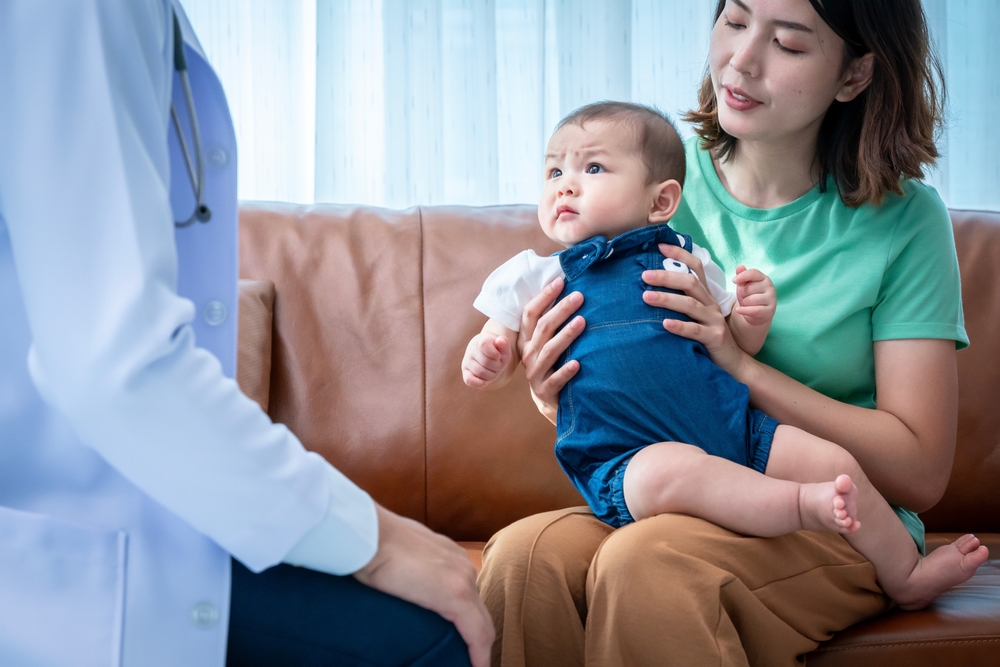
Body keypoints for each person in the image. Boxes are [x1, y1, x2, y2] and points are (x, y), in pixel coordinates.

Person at [477, 0, 978, 665]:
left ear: (854, 75)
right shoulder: (642, 174)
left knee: (649, 565)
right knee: (522, 558)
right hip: (668, 490)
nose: (741, 59)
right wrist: (551, 390)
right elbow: (619, 370)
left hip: (837, 514)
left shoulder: (905, 220)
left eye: (790, 44)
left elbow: (917, 471)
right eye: (735, 21)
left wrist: (743, 368)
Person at [0, 2, 491, 666]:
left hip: (92, 510)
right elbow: (116, 367)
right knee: (425, 637)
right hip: (60, 548)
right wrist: (377, 539)